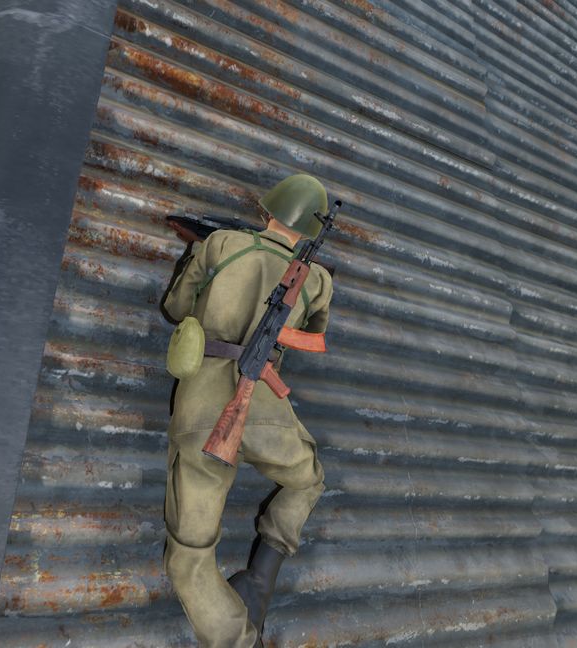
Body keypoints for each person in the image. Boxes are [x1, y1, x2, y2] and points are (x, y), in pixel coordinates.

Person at [159, 174, 335, 647]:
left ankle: (238, 639)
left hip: (202, 408)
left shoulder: (220, 244)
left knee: (190, 557)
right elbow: (311, 335)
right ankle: (260, 578)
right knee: (308, 480)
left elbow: (176, 308)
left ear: (267, 209)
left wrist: (198, 256)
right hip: (265, 404)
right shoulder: (317, 280)